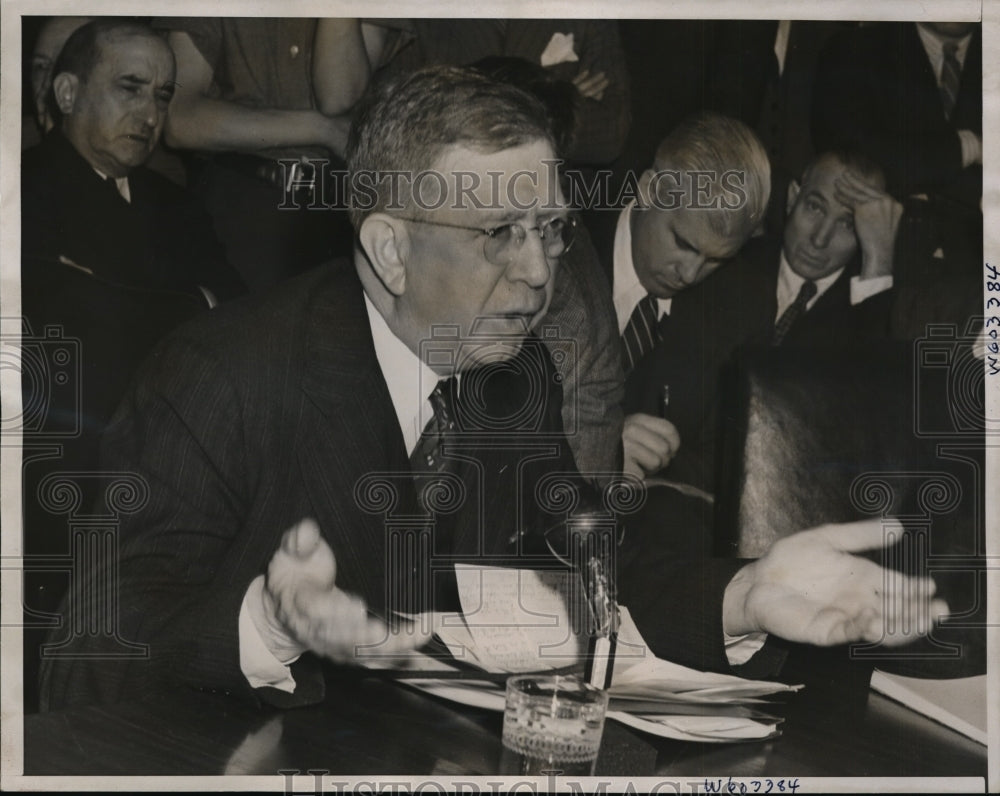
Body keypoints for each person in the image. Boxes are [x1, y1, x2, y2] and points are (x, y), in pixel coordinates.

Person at [40, 66, 947, 712]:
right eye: (500, 233)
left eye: (551, 229)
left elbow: (572, 578)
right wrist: (263, 628)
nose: (538, 274)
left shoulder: (510, 374)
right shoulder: (219, 376)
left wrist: (742, 597)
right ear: (391, 247)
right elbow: (84, 664)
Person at [627, 150, 902, 494]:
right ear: (791, 199)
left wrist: (878, 262)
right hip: (665, 487)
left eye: (848, 224)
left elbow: (874, 428)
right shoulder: (719, 261)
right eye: (814, 207)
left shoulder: (868, 314)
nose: (820, 239)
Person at [598, 113, 771, 484]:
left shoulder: (745, 305)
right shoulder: (557, 246)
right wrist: (594, 444)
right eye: (683, 243)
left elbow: (721, 467)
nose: (690, 275)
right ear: (648, 189)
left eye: (716, 259)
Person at [156, 18, 371, 292]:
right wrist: (322, 129)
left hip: (340, 204)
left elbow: (338, 96)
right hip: (245, 195)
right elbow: (180, 120)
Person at [812, 22, 982, 279]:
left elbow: (889, 160)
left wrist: (907, 165)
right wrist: (972, 147)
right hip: (876, 267)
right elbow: (852, 163)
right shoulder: (855, 49)